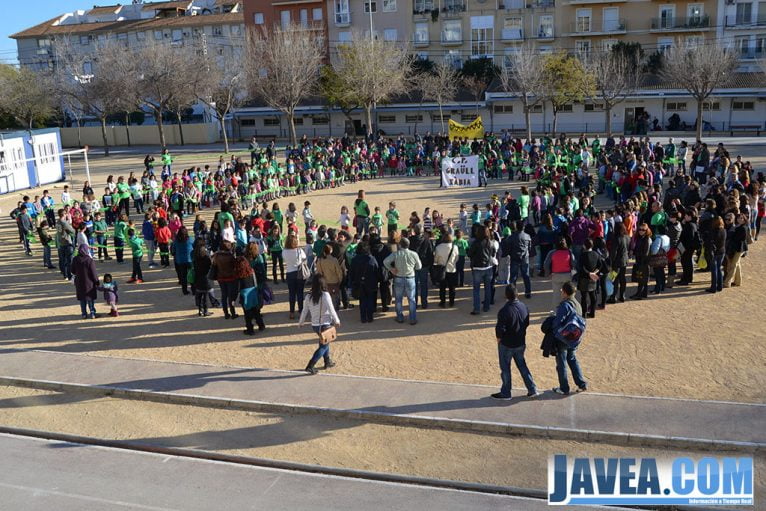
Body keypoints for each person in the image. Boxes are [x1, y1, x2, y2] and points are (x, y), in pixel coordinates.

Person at [492, 285, 540, 400]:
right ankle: (532, 389)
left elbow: (500, 330)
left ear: (506, 296)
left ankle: (506, 392)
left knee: (505, 369)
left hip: (507, 344)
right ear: (517, 294)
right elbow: (526, 323)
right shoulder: (524, 306)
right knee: (522, 366)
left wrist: (500, 340)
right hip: (520, 343)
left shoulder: (504, 311)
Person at [551, 282, 588, 395]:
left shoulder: (565, 305)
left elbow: (557, 323)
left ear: (565, 292)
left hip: (564, 338)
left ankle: (564, 388)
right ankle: (582, 384)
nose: (561, 292)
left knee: (561, 363)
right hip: (575, 338)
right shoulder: (577, 304)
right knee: (572, 359)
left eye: (562, 291)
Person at [299, 276, 340, 374]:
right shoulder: (325, 295)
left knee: (325, 342)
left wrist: (301, 322)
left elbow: (304, 311)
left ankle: (327, 361)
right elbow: (331, 309)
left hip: (315, 325)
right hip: (325, 324)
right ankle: (310, 365)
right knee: (323, 346)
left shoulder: (308, 296)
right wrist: (337, 320)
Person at [383, 237, 421, 325]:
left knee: (398, 299)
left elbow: (385, 261)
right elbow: (419, 266)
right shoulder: (414, 254)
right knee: (411, 299)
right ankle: (412, 318)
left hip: (399, 278)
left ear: (400, 245)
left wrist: (391, 269)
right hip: (410, 277)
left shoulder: (396, 254)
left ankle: (400, 317)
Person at [236, 253, 266, 335]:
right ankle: (261, 325)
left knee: (247, 313)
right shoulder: (251, 271)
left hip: (245, 294)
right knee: (256, 311)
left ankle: (250, 329)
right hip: (253, 292)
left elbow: (238, 287)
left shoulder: (239, 275)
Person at [468, 226, 495, 315]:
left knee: (476, 289)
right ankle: (486, 307)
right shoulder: (490, 242)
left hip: (477, 268)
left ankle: (477, 308)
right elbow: (493, 253)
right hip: (488, 267)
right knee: (487, 288)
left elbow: (470, 254)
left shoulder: (476, 243)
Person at [349, 242, 379, 323]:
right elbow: (376, 270)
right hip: (371, 282)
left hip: (359, 282)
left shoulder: (354, 259)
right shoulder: (372, 259)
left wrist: (352, 282)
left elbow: (351, 272)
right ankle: (370, 317)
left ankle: (363, 318)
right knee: (370, 299)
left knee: (362, 301)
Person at [543, 238, 575, 310]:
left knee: (556, 295)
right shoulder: (569, 252)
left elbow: (546, 264)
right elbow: (574, 263)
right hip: (567, 275)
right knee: (569, 294)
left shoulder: (552, 252)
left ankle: (556, 311)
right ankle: (570, 309)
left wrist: (548, 273)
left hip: (556, 275)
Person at [71, 244, 99, 319]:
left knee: (82, 299)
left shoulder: (75, 259)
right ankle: (92, 312)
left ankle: (84, 313)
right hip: (89, 282)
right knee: (90, 298)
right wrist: (97, 282)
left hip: (79, 282)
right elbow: (94, 273)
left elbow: (72, 271)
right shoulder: (89, 260)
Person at [212, 240, 239, 318]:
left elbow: (214, 265)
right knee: (231, 296)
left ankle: (226, 313)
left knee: (224, 295)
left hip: (221, 278)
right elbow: (235, 265)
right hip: (230, 278)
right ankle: (233, 313)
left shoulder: (217, 256)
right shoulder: (230, 256)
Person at [283, 234, 308, 319]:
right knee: (300, 293)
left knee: (292, 294)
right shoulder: (299, 251)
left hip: (290, 273)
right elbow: (304, 258)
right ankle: (301, 310)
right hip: (299, 273)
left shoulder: (284, 251)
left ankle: (292, 312)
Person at [576, 239, 602, 318]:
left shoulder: (582, 255)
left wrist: (588, 273)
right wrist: (594, 273)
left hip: (584, 278)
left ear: (584, 245)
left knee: (584, 297)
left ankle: (584, 313)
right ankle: (592, 312)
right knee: (593, 295)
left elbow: (580, 267)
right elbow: (600, 265)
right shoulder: (596, 254)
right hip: (593, 278)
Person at [507, 221, 532, 299]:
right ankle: (528, 292)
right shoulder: (527, 236)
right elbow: (530, 247)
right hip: (525, 258)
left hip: (514, 258)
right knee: (526, 276)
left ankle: (512, 294)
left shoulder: (512, 237)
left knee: (513, 277)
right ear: (523, 227)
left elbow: (509, 248)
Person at [433, 231, 459, 308]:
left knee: (442, 287)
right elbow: (457, 258)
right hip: (452, 269)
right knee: (452, 287)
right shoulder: (455, 247)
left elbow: (436, 259)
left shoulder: (438, 247)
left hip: (442, 269)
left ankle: (443, 301)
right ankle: (451, 301)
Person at [315, 244, 344, 311]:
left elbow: (319, 272)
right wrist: (340, 279)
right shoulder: (334, 260)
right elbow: (339, 272)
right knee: (335, 297)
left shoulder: (320, 260)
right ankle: (334, 310)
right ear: (331, 251)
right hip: (334, 281)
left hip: (325, 282)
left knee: (326, 297)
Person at [723, 212, 748, 288]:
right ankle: (738, 281)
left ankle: (727, 282)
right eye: (738, 218)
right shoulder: (738, 227)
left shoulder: (743, 228)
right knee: (737, 265)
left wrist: (733, 237)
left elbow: (741, 239)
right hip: (737, 248)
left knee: (733, 265)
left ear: (744, 220)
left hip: (739, 248)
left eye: (741, 218)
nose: (739, 219)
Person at [607, 222, 629, 303]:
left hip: (616, 262)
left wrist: (610, 262)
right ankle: (622, 295)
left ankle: (613, 297)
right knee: (622, 278)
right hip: (624, 261)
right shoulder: (627, 237)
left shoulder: (616, 238)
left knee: (613, 279)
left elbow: (613, 252)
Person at [630, 223, 652, 300]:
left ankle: (639, 294)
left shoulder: (647, 239)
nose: (641, 231)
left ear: (647, 230)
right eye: (640, 229)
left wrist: (636, 253)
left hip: (644, 261)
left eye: (643, 230)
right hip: (640, 260)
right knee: (642, 278)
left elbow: (645, 252)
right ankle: (643, 293)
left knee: (642, 279)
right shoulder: (640, 238)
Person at [192, 241, 214, 317]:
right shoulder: (207, 259)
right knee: (205, 297)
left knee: (199, 296)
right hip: (205, 279)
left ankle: (200, 310)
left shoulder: (196, 259)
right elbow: (211, 267)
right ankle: (206, 311)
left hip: (198, 279)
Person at [707, 216, 726, 293]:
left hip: (714, 252)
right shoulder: (724, 230)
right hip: (722, 251)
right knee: (719, 269)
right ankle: (720, 286)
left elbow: (711, 242)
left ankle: (713, 287)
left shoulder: (713, 231)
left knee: (714, 270)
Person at [172, 227, 194, 295]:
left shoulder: (176, 241)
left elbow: (173, 250)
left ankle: (184, 290)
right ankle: (194, 289)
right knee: (192, 275)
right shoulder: (190, 239)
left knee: (183, 276)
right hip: (189, 259)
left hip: (180, 260)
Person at [56, 209, 76, 281]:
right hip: (67, 242)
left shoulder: (57, 222)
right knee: (69, 260)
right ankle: (69, 275)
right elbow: (72, 230)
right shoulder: (64, 223)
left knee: (63, 260)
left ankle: (65, 275)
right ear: (64, 214)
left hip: (61, 242)